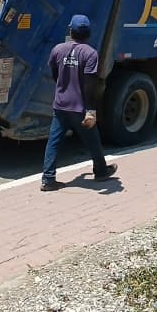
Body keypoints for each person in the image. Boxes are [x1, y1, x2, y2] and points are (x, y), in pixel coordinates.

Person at [41, 14, 117, 191]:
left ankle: (48, 179)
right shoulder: (90, 54)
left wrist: (63, 88)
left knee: (53, 142)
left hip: (60, 105)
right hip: (79, 107)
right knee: (93, 140)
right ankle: (101, 171)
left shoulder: (58, 49)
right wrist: (91, 110)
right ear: (89, 33)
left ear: (70, 31)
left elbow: (55, 74)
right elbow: (90, 85)